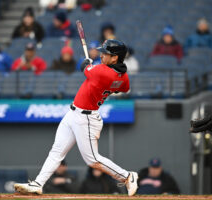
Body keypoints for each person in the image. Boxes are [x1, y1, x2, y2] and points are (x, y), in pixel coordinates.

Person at [14, 39, 138, 196]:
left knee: (92, 159)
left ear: (115, 58)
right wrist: (96, 70)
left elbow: (84, 68)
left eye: (105, 53)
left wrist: (87, 62)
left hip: (86, 118)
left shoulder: (101, 71)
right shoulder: (122, 76)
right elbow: (124, 87)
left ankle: (127, 176)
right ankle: (38, 183)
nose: (101, 55)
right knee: (57, 151)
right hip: (73, 113)